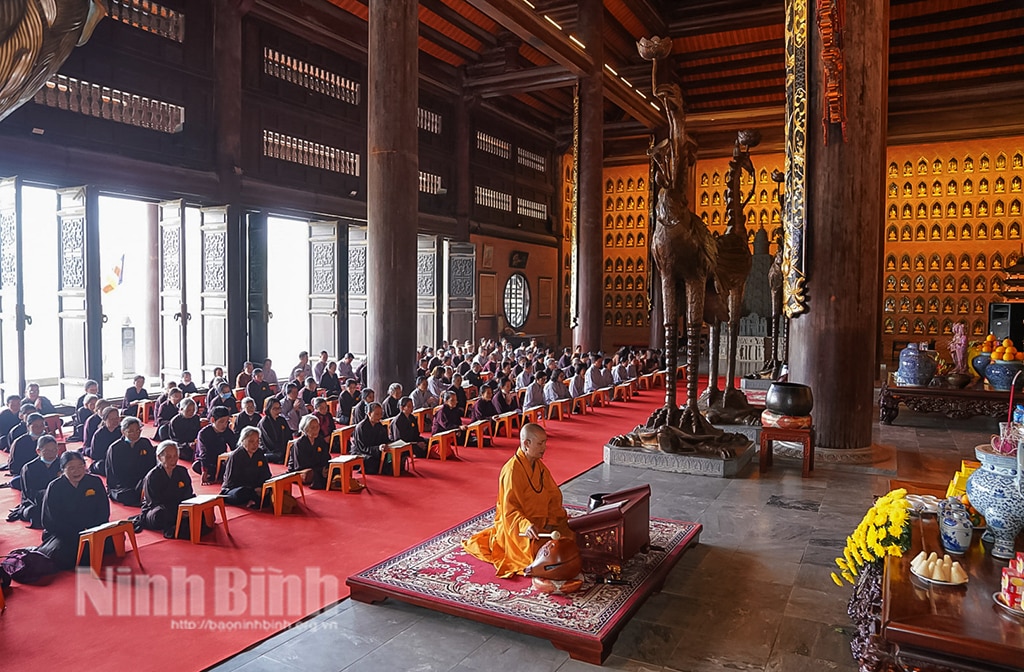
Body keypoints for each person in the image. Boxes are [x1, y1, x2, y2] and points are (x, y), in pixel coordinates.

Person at [462, 424, 573, 577]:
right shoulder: (512, 470)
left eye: (545, 442)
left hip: (543, 522)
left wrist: (553, 520)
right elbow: (509, 510)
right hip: (520, 528)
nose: (545, 447)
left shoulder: (539, 467)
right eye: (540, 443)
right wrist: (525, 526)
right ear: (526, 444)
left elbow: (553, 496)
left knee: (571, 537)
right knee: (545, 555)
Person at [38, 451, 110, 570]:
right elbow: (50, 520)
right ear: (62, 470)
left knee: (114, 540)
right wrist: (76, 534)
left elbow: (103, 510)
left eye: (80, 466)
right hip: (65, 533)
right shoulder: (55, 487)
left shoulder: (94, 481)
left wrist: (94, 529)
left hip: (92, 529)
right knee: (62, 553)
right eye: (71, 468)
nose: (77, 471)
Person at [140, 441, 198, 538]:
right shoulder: (152, 476)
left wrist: (187, 508)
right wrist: (177, 511)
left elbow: (188, 494)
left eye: (175, 456)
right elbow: (153, 503)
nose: (173, 460)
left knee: (203, 511)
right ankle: (178, 524)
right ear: (159, 457)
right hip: (160, 510)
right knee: (159, 515)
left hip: (180, 507)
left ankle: (178, 525)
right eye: (168, 457)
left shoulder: (182, 471)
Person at [7, 435, 61, 528]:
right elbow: (29, 494)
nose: (52, 454)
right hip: (35, 502)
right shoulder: (29, 468)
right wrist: (48, 494)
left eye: (54, 450)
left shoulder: (61, 464)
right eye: (47, 451)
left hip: (60, 499)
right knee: (34, 511)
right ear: (38, 451)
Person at [106, 416, 156, 507]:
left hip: (143, 480)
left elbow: (152, 464)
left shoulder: (145, 443)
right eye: (131, 431)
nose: (135, 434)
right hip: (123, 484)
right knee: (127, 495)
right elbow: (115, 472)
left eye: (138, 430)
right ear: (123, 432)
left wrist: (145, 480)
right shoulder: (115, 448)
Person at [221, 426, 272, 508]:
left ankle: (254, 500)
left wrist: (261, 487)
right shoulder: (236, 456)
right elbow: (231, 481)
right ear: (243, 441)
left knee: (272, 488)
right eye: (251, 441)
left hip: (256, 487)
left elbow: (266, 474)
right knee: (241, 493)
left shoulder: (259, 453)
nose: (255, 444)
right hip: (236, 489)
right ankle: (255, 500)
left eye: (257, 441)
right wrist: (253, 489)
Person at [194, 406, 235, 485]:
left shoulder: (228, 432)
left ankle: (217, 475)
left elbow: (234, 447)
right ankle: (213, 474)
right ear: (213, 420)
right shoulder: (203, 433)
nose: (224, 425)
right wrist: (204, 471)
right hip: (208, 461)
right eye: (221, 422)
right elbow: (203, 454)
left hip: (221, 460)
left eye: (227, 422)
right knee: (196, 465)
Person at [288, 414, 330, 489]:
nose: (316, 430)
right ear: (305, 429)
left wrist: (325, 468)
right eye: (312, 428)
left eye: (317, 427)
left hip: (319, 468)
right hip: (302, 470)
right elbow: (301, 465)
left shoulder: (320, 440)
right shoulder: (299, 444)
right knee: (309, 474)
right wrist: (320, 470)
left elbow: (326, 457)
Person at [7, 413, 47, 490]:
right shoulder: (19, 442)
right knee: (16, 481)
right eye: (35, 426)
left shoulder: (47, 439)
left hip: (46, 470)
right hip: (27, 473)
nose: (39, 428)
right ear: (28, 427)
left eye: (42, 425)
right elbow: (14, 466)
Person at [350, 402, 390, 475]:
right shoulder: (361, 427)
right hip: (361, 452)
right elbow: (362, 448)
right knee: (370, 461)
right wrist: (378, 448)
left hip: (376, 451)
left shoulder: (379, 425)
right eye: (377, 414)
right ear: (369, 414)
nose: (380, 417)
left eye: (381, 414)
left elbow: (385, 440)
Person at [88, 405, 123, 475]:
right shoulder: (99, 434)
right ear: (104, 420)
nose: (115, 421)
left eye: (116, 418)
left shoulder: (121, 431)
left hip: (120, 458)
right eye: (111, 419)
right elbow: (95, 455)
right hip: (104, 460)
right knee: (102, 466)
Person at [258, 397, 291, 463]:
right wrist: (283, 450)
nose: (278, 411)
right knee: (279, 455)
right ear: (269, 409)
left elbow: (289, 435)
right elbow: (270, 442)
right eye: (275, 409)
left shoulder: (282, 420)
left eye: (279, 408)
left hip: (283, 448)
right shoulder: (264, 422)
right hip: (270, 450)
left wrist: (288, 447)